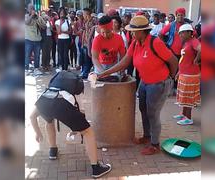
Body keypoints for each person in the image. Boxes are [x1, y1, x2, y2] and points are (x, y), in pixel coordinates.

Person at [95, 15, 178, 155]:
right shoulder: (135, 43)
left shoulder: (155, 42)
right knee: (143, 109)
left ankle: (155, 144)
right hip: (145, 82)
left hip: (158, 84)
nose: (131, 33)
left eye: (133, 31)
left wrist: (170, 77)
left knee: (153, 113)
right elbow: (125, 62)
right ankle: (147, 136)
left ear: (142, 31)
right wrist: (104, 73)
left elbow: (173, 60)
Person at [30, 73, 112, 178]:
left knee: (49, 121)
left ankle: (53, 151)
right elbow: (80, 109)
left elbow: (32, 116)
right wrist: (79, 127)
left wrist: (38, 133)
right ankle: (96, 168)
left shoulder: (50, 87)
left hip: (45, 102)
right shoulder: (77, 85)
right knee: (88, 132)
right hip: (62, 105)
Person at [173, 24, 201, 125]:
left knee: (188, 96)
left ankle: (188, 118)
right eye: (179, 33)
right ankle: (184, 114)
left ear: (189, 33)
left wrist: (196, 59)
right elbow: (184, 59)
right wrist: (179, 72)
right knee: (184, 96)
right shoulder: (186, 43)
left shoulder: (194, 41)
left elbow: (201, 49)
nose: (180, 35)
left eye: (182, 33)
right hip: (184, 73)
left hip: (190, 75)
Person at [25, 4, 46, 75]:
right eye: (30, 8)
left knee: (37, 55)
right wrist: (31, 15)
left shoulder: (38, 17)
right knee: (27, 55)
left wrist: (39, 23)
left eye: (33, 8)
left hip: (37, 40)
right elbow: (27, 23)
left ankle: (36, 68)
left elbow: (44, 27)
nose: (32, 10)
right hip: (28, 39)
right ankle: (26, 68)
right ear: (28, 10)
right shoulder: (26, 16)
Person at [80, 8, 96, 79]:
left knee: (88, 61)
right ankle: (84, 72)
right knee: (85, 60)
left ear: (86, 14)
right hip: (86, 44)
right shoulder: (86, 22)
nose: (82, 15)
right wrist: (83, 43)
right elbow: (85, 33)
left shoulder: (91, 23)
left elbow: (90, 36)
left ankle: (85, 73)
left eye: (83, 14)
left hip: (90, 45)